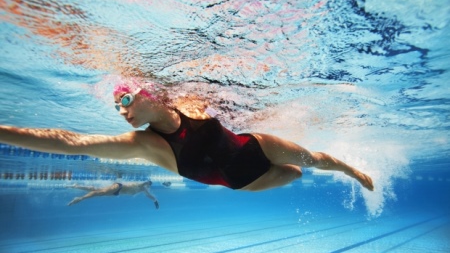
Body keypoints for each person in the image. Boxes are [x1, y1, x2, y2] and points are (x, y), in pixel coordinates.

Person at [0, 77, 374, 192]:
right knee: (293, 175)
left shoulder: (189, 101)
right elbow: (67, 141)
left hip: (257, 145)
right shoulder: (144, 144)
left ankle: (351, 171)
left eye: (125, 99)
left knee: (314, 160)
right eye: (116, 106)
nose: (122, 110)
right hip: (239, 181)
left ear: (149, 93)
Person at [67, 181, 159, 209]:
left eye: (149, 186)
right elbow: (142, 184)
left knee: (97, 190)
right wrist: (147, 182)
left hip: (117, 193)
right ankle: (80, 198)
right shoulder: (140, 185)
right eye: (148, 185)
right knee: (101, 193)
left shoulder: (143, 190)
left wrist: (156, 202)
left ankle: (76, 186)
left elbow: (150, 196)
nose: (148, 187)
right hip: (118, 186)